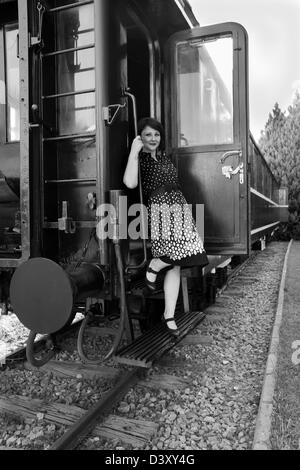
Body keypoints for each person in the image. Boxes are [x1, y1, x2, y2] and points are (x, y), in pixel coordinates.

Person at [123, 117, 208, 336]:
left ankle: (168, 315)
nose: (153, 139)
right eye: (148, 134)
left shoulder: (164, 158)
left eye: (156, 134)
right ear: (140, 136)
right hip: (160, 209)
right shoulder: (140, 159)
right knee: (174, 256)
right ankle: (155, 265)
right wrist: (134, 151)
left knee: (183, 259)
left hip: (179, 206)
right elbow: (130, 183)